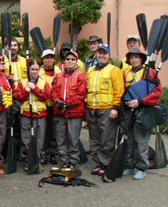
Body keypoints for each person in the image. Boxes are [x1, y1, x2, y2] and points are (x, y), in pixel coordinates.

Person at [122, 48, 162, 180]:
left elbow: (156, 92)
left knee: (141, 140)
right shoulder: (125, 73)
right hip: (128, 112)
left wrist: (140, 101)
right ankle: (130, 165)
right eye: (132, 57)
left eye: (136, 57)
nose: (134, 60)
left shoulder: (149, 72)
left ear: (141, 59)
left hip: (143, 112)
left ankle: (141, 167)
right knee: (129, 140)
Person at [85, 44, 124, 176]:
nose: (101, 56)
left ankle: (106, 163)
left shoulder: (114, 70)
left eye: (104, 53)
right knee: (94, 138)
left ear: (109, 55)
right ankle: (97, 163)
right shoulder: (90, 70)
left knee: (107, 138)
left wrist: (116, 108)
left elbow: (119, 90)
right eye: (99, 53)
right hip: (91, 108)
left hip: (107, 109)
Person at [51, 50, 86, 168]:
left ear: (76, 61)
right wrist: (58, 103)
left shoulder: (80, 76)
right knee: (61, 139)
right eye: (67, 59)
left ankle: (72, 162)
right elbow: (53, 91)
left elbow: (80, 94)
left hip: (74, 113)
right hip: (59, 113)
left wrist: (67, 104)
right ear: (64, 61)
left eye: (72, 59)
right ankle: (64, 162)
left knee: (73, 139)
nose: (70, 61)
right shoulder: (58, 76)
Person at [13, 59, 50, 171]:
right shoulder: (22, 82)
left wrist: (36, 89)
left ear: (40, 70)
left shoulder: (43, 83)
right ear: (28, 70)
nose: (34, 72)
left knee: (39, 140)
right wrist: (27, 90)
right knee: (26, 139)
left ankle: (37, 160)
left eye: (36, 69)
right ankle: (27, 161)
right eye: (32, 69)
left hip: (40, 115)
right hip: (26, 115)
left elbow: (46, 96)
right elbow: (18, 97)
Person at [2, 37, 28, 159]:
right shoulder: (2, 61)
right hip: (8, 96)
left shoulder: (24, 61)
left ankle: (18, 150)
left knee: (19, 124)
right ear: (6, 47)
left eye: (15, 45)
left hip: (22, 96)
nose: (13, 47)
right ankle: (7, 149)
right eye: (10, 45)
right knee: (8, 124)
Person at [39, 49, 61, 165]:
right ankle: (42, 153)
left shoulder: (59, 71)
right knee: (43, 131)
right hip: (43, 105)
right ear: (42, 59)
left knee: (53, 131)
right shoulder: (39, 72)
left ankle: (52, 153)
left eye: (51, 57)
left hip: (54, 106)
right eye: (47, 58)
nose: (49, 60)